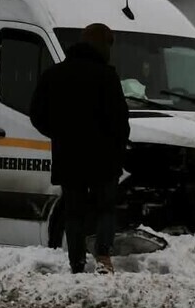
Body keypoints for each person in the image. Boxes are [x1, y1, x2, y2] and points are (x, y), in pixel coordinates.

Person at [30, 22, 130, 274]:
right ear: (102, 45)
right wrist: (119, 149)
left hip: (68, 155)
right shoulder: (107, 76)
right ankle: (104, 257)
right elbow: (120, 120)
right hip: (104, 158)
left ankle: (76, 262)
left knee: (74, 211)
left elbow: (36, 115)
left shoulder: (54, 75)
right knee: (105, 208)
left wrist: (58, 134)